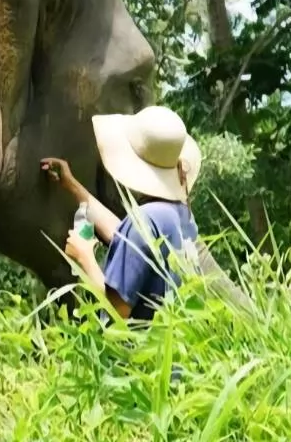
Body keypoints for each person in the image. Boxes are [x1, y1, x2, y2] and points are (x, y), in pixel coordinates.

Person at [41, 105, 204, 323]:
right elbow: (131, 240)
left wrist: (85, 257)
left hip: (135, 353)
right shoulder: (179, 214)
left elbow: (117, 309)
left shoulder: (144, 219)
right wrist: (72, 185)